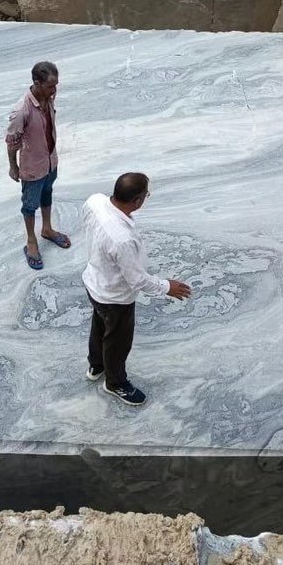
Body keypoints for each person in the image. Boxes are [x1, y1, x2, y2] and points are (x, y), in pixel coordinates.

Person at [81, 172, 192, 407]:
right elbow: (137, 280)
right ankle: (115, 383)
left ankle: (96, 365)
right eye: (146, 195)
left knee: (99, 325)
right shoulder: (122, 238)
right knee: (117, 342)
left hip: (94, 282)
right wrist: (167, 287)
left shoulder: (94, 201)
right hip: (115, 297)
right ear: (137, 201)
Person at [6, 60, 71, 270]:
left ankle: (47, 228)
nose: (55, 90)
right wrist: (13, 167)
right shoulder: (21, 111)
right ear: (37, 83)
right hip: (33, 167)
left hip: (50, 161)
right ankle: (31, 240)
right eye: (50, 86)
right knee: (29, 204)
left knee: (47, 193)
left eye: (56, 85)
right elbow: (12, 142)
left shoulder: (48, 97)